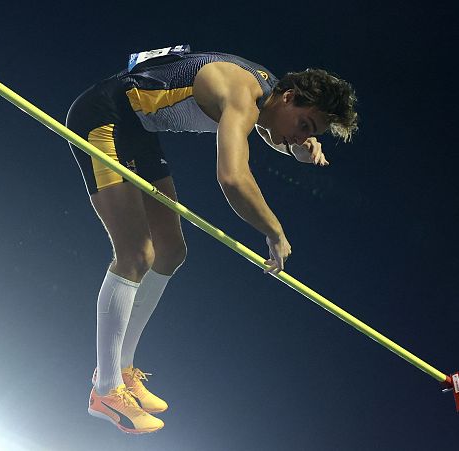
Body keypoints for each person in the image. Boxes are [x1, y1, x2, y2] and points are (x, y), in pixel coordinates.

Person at [65, 46, 357, 434]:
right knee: (136, 253)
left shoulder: (267, 91)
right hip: (103, 117)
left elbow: (266, 127)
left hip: (136, 128)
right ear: (290, 97)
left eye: (311, 133)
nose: (302, 136)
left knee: (170, 250)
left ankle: (122, 368)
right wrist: (274, 232)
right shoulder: (241, 92)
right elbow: (232, 178)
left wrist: (293, 148)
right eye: (304, 125)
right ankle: (105, 391)